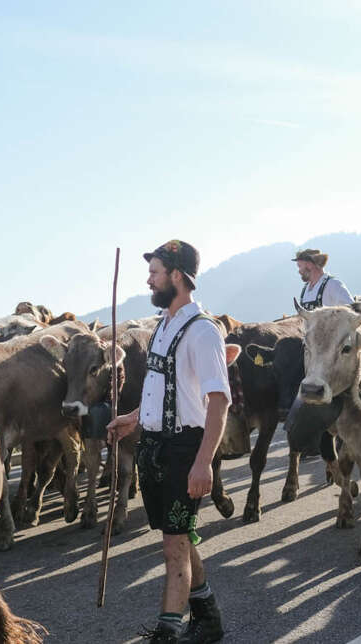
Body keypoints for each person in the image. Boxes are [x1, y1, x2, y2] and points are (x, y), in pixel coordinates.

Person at [107, 240, 231, 643]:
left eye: (155, 271)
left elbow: (218, 402)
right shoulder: (162, 324)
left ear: (177, 276)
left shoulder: (203, 332)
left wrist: (204, 462)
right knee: (177, 535)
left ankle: (168, 632)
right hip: (154, 448)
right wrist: (133, 419)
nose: (149, 278)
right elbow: (159, 392)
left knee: (174, 546)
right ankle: (208, 617)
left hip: (184, 451)